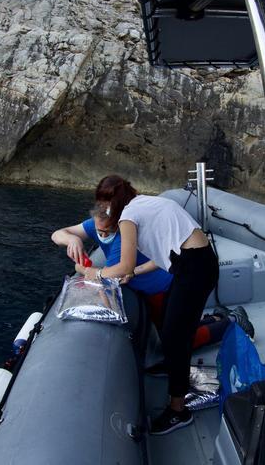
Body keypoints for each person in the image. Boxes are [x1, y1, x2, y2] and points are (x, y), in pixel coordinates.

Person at [83, 174, 220, 435]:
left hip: (193, 269)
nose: (103, 213)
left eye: (103, 206)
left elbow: (122, 264)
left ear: (110, 205)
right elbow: (166, 252)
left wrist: (97, 274)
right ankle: (174, 367)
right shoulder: (146, 204)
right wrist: (135, 273)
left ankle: (178, 411)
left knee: (174, 336)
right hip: (195, 263)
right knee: (173, 323)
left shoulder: (127, 217)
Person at [51, 205, 238, 351]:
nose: (102, 235)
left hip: (162, 288)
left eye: (108, 231)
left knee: (173, 341)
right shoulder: (96, 225)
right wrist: (73, 239)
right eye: (99, 231)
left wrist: (79, 266)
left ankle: (232, 323)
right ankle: (217, 318)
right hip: (147, 288)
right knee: (172, 327)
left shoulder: (123, 239)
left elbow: (107, 273)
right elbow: (57, 234)